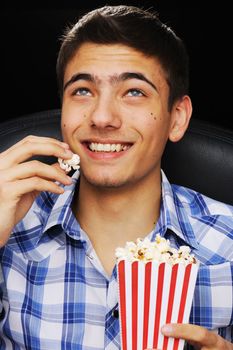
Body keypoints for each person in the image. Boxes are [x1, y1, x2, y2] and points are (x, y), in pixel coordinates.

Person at [0, 5, 232, 350]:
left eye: (134, 92)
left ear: (177, 118)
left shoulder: (228, 244)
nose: (102, 117)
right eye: (82, 90)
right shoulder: (10, 231)